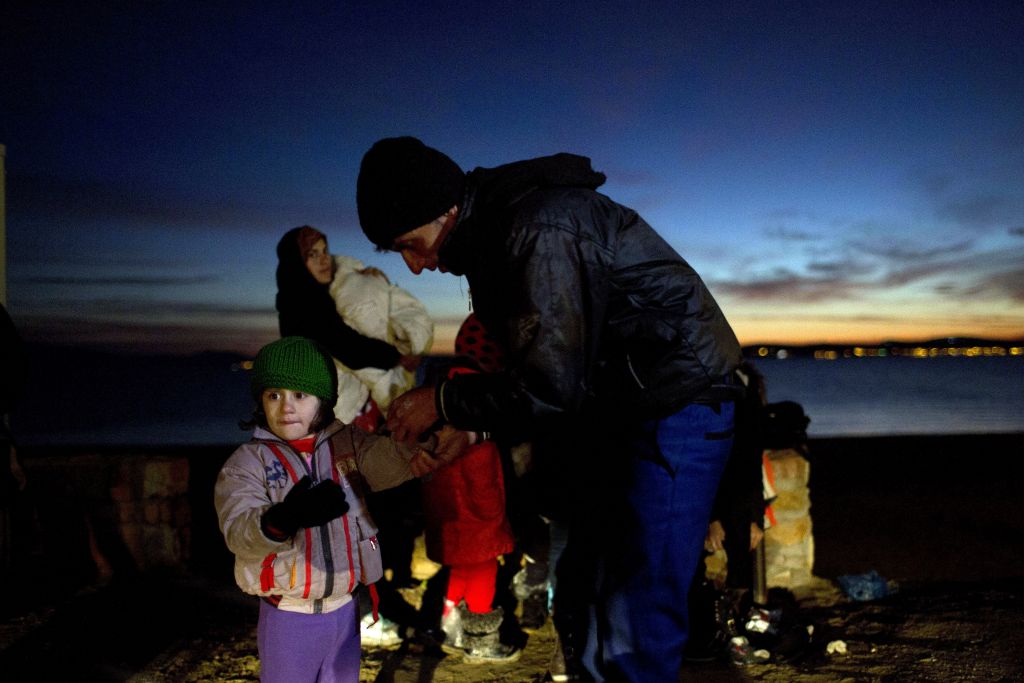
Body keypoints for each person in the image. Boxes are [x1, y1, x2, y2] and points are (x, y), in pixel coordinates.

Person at [355, 136, 743, 682]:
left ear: (444, 211)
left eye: (409, 244)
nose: (415, 267)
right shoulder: (496, 237)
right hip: (618, 410)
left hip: (676, 405)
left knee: (639, 599)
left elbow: (552, 383)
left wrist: (444, 400)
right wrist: (469, 429)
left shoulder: (539, 229)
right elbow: (547, 372)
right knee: (584, 585)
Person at [214, 336, 467, 683]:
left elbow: (385, 461)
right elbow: (238, 530)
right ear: (260, 399)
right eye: (274, 395)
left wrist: (419, 443)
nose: (286, 407)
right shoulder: (247, 464)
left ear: (325, 400)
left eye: (299, 395)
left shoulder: (347, 443)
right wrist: (282, 519)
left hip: (346, 608)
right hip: (288, 613)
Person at [275, 225, 432, 641]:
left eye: (327, 250)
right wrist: (397, 354)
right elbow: (344, 343)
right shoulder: (301, 303)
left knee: (364, 513)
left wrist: (367, 279)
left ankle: (377, 604)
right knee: (350, 515)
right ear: (297, 264)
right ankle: (367, 610)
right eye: (313, 254)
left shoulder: (320, 296)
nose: (324, 259)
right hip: (327, 425)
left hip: (345, 417)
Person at [421, 313, 519, 662]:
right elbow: (483, 483)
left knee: (459, 570)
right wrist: (497, 522)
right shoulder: (479, 409)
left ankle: (448, 623)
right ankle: (480, 636)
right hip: (477, 521)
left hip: (448, 518)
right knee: (483, 575)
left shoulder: (441, 398)